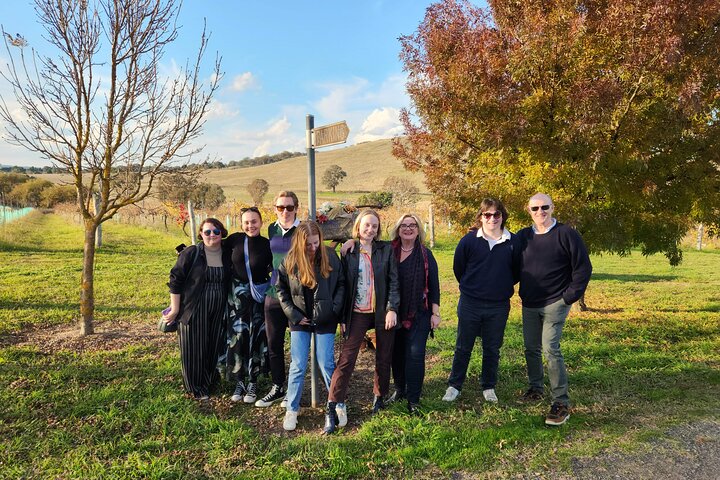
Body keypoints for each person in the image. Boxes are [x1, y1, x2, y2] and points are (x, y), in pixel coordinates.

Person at [517, 193, 592, 426]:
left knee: (550, 348)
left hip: (555, 302)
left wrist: (569, 297)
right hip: (529, 302)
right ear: (528, 211)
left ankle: (561, 401)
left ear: (552, 207)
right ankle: (536, 387)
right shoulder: (523, 237)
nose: (540, 212)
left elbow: (583, 267)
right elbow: (508, 260)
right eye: (535, 208)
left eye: (544, 207)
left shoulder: (566, 234)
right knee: (531, 347)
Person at [325, 209, 400, 434]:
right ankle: (331, 406)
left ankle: (379, 398)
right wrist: (343, 318)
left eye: (374, 226)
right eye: (366, 225)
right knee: (347, 359)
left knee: (384, 356)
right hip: (356, 312)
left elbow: (394, 282)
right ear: (358, 227)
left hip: (380, 312)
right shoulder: (349, 250)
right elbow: (342, 285)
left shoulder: (386, 250)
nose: (371, 229)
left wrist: (391, 309)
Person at [442, 198, 521, 405]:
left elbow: (516, 272)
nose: (492, 218)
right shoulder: (468, 241)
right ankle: (454, 385)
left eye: (496, 214)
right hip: (470, 303)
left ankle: (488, 386)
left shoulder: (513, 242)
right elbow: (459, 269)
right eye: (487, 215)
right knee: (463, 346)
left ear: (502, 216)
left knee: (492, 348)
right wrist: (473, 287)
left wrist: (498, 287)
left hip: (498, 305)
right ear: (481, 217)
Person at [276, 221, 345, 431]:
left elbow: (341, 284)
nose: (313, 248)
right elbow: (281, 291)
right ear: (299, 242)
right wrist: (294, 315)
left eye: (316, 243)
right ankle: (292, 409)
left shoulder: (330, 256)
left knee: (326, 363)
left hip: (325, 318)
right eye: (308, 245)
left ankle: (338, 405)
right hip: (300, 319)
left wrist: (333, 310)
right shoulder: (289, 260)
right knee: (297, 365)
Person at [163, 218, 231, 401]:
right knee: (194, 347)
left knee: (212, 345)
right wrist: (176, 308)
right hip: (194, 307)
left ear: (222, 233)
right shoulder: (192, 253)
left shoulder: (226, 253)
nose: (211, 235)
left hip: (218, 308)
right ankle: (195, 387)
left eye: (216, 232)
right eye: (207, 232)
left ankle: (208, 382)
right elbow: (175, 280)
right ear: (201, 233)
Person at [388, 213, 441, 414]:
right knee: (396, 353)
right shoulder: (388, 251)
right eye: (404, 225)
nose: (408, 229)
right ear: (398, 229)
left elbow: (434, 287)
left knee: (415, 354)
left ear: (418, 230)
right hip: (392, 312)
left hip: (419, 313)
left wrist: (435, 313)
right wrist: (350, 241)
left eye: (412, 225)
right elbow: (366, 246)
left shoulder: (426, 255)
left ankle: (414, 399)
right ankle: (400, 389)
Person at [255, 191, 300, 407]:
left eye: (289, 207)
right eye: (280, 207)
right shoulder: (271, 229)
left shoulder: (303, 230)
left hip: (296, 296)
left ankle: (294, 387)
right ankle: (278, 385)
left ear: (296, 209)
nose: (285, 211)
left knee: (298, 346)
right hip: (273, 294)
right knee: (274, 343)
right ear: (275, 209)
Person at [223, 207, 273, 403]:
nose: (250, 225)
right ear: (241, 223)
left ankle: (253, 381)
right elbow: (211, 248)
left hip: (258, 299)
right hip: (236, 299)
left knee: (256, 337)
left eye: (254, 221)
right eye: (246, 222)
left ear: (261, 222)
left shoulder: (267, 245)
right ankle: (240, 380)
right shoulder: (234, 240)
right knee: (237, 337)